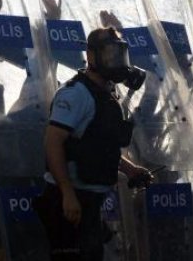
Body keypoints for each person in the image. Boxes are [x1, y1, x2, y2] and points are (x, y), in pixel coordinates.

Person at [35, 26, 153, 261]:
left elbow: (97, 146)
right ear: (91, 56)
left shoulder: (107, 94)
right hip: (69, 201)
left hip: (90, 201)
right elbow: (53, 143)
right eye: (110, 54)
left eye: (120, 54)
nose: (117, 61)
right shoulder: (76, 94)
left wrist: (130, 170)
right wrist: (67, 193)